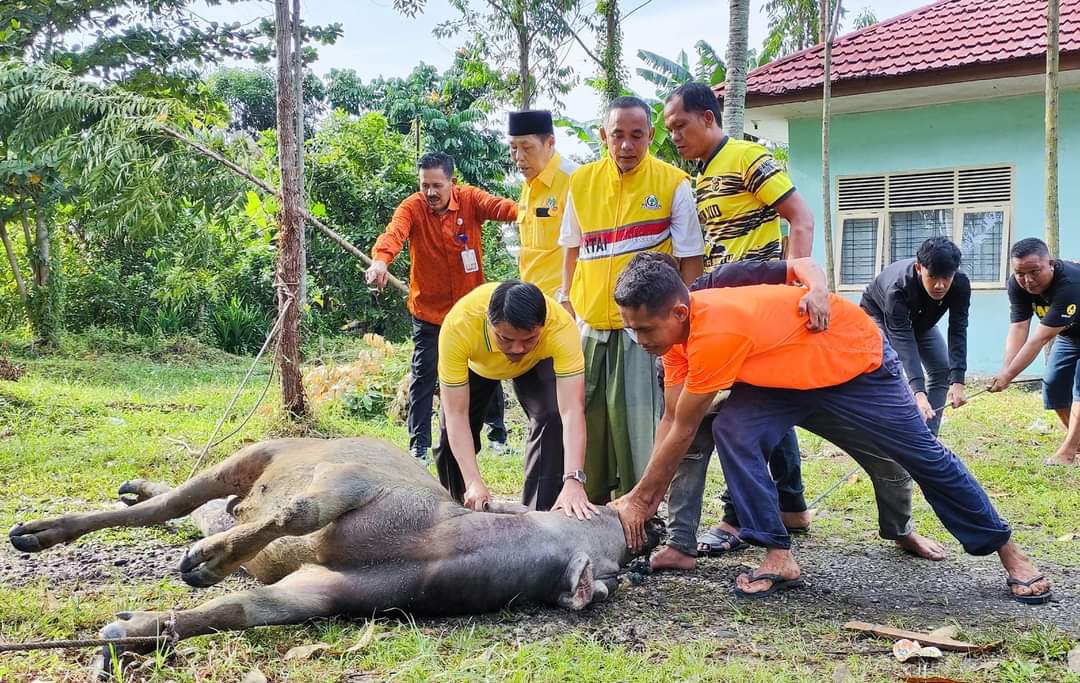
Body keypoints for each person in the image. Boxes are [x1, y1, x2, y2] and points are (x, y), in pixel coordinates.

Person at [609, 253, 1052, 604]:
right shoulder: (674, 341)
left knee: (923, 455)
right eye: (632, 331)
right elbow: (669, 419)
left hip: (853, 363)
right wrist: (636, 497)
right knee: (734, 431)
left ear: (681, 311)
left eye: (646, 328)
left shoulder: (714, 332)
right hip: (783, 376)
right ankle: (777, 555)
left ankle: (1008, 551)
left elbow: (684, 428)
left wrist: (644, 501)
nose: (641, 339)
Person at [655, 81, 815, 568]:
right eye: (670, 130)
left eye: (680, 126)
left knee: (736, 414)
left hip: (760, 306)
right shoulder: (700, 176)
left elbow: (800, 218)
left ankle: (736, 517)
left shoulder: (749, 158)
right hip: (724, 306)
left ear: (708, 117)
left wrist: (799, 285)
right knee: (768, 403)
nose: (675, 137)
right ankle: (791, 507)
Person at [558, 96, 706, 503]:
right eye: (618, 136)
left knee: (640, 425)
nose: (626, 146)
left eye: (637, 136)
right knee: (588, 422)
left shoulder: (673, 182)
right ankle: (589, 505)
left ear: (650, 136)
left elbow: (691, 256)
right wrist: (567, 300)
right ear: (604, 135)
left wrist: (681, 319)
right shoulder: (581, 181)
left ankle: (640, 508)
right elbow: (571, 246)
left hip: (642, 330)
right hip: (589, 326)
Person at [366, 152, 517, 462]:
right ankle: (418, 445)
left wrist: (534, 212)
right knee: (424, 375)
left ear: (452, 182)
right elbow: (395, 232)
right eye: (425, 186)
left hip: (472, 309)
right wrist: (381, 261)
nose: (430, 193)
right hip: (428, 312)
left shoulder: (471, 200)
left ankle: (497, 437)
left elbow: (503, 208)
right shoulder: (413, 207)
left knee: (488, 366)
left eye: (437, 185)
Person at [434, 280, 595, 518]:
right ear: (490, 323)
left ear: (543, 325)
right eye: (506, 339)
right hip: (477, 366)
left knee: (552, 416)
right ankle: (459, 509)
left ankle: (541, 517)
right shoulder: (459, 324)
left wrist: (574, 480)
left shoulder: (560, 326)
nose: (518, 349)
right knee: (450, 434)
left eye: (529, 339)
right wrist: (473, 482)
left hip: (535, 364)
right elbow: (457, 414)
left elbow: (572, 410)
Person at [861, 236, 970, 436]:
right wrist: (919, 393)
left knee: (941, 369)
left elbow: (958, 329)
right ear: (919, 268)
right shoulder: (898, 289)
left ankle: (927, 438)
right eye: (934, 277)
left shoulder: (960, 285)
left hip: (919, 319)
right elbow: (904, 343)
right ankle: (892, 434)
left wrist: (958, 381)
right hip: (879, 314)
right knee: (891, 369)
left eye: (946, 277)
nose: (940, 285)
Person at [990, 237, 1080, 465]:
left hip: (1058, 332)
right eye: (1020, 273)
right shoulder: (1016, 284)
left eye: (1035, 271)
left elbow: (1039, 339)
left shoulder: (1070, 284)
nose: (1028, 280)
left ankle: (1068, 452)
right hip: (1070, 335)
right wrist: (1006, 370)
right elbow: (1020, 326)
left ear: (1050, 263)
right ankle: (1076, 440)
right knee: (1053, 386)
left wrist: (1009, 376)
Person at [508, 110, 578, 297]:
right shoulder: (528, 184)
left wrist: (567, 297)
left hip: (564, 302)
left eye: (527, 147)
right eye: (513, 148)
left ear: (550, 143)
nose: (519, 157)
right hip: (532, 300)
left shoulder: (574, 180)